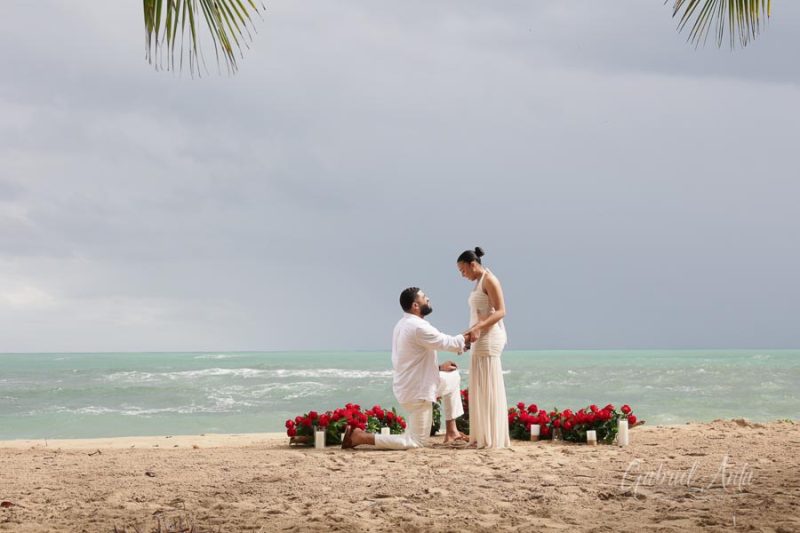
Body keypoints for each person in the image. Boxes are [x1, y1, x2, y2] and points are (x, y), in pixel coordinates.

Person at [342, 287, 472, 449]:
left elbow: (410, 361)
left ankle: (452, 432)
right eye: (424, 297)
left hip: (415, 384)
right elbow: (447, 342)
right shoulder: (417, 327)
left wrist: (438, 367)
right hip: (417, 392)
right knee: (416, 442)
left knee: (452, 377)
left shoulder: (404, 324)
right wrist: (473, 333)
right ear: (415, 305)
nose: (428, 299)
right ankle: (360, 437)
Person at [458, 247, 511, 449]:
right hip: (479, 335)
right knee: (479, 386)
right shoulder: (478, 283)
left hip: (490, 337)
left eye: (463, 270)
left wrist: (478, 327)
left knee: (487, 384)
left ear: (473, 264)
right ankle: (482, 436)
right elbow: (479, 313)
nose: (462, 275)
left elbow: (501, 311)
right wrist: (472, 331)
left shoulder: (490, 279)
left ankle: (491, 437)